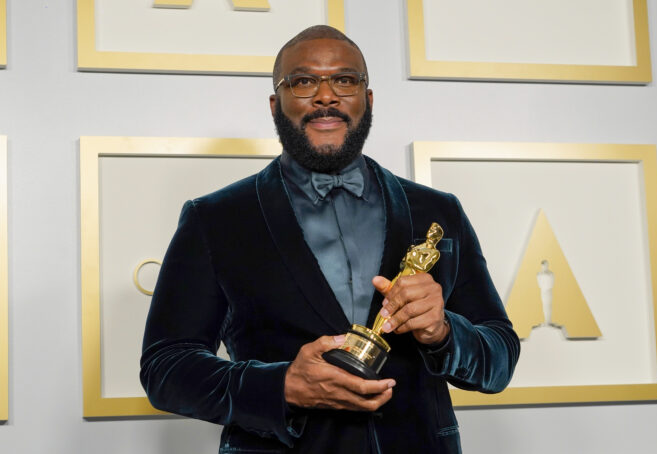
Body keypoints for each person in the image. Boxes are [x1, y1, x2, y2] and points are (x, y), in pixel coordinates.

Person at [140, 25, 520, 454]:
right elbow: (165, 369)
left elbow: (500, 358)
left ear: (367, 99)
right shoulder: (214, 218)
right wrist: (282, 386)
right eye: (304, 81)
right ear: (275, 104)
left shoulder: (438, 211)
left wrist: (445, 332)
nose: (326, 96)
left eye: (344, 80)